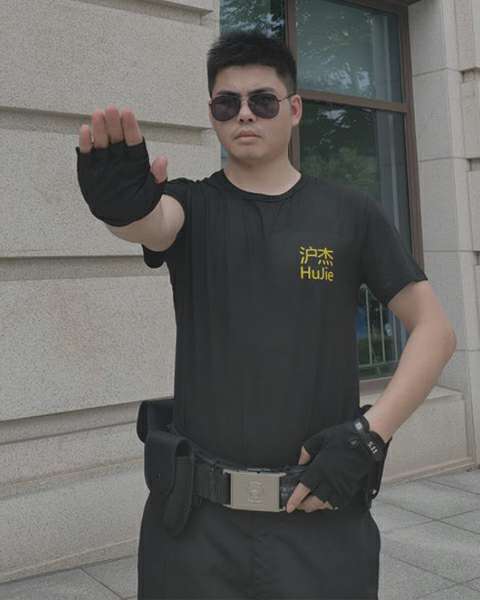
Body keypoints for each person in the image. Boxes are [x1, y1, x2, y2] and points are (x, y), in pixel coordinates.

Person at [76, 28, 430, 600]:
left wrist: (371, 434)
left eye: (262, 100)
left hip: (321, 518)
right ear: (212, 114)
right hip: (193, 529)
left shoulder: (350, 213)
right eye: (227, 103)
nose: (244, 114)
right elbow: (151, 223)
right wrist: (119, 207)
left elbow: (434, 330)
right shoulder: (190, 204)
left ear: (294, 109)